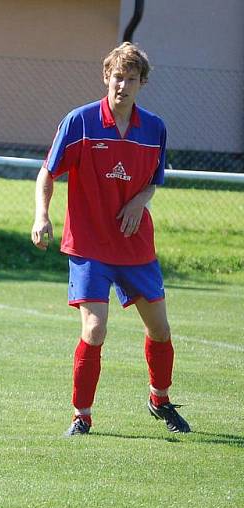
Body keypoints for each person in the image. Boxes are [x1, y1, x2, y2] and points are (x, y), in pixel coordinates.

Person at [30, 42, 190, 436]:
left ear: (142, 83)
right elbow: (47, 173)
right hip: (89, 248)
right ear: (106, 77)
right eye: (117, 77)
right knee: (94, 329)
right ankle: (81, 416)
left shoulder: (155, 128)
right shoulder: (80, 122)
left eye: (131, 79)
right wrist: (42, 215)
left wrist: (139, 200)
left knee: (161, 330)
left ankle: (160, 399)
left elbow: (153, 182)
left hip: (135, 247)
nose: (122, 85)